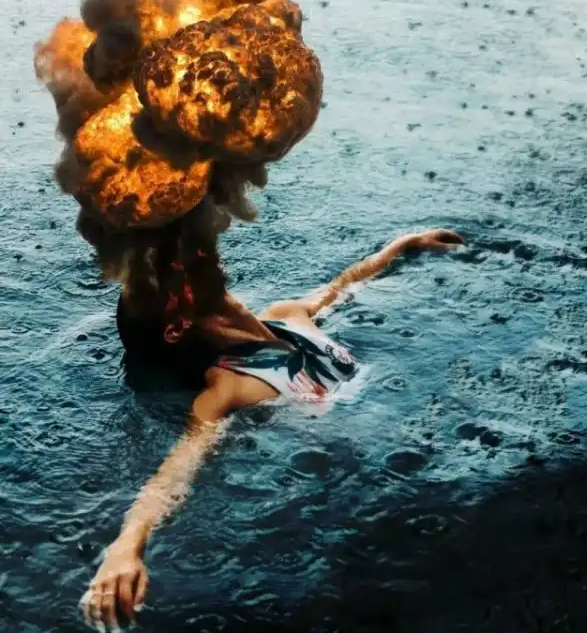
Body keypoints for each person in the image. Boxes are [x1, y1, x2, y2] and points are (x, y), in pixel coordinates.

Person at [80, 227, 464, 631]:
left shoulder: (286, 314)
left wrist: (401, 245)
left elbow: (343, 285)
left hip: (420, 428)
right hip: (381, 475)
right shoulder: (228, 387)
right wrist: (128, 543)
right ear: (176, 327)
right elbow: (179, 465)